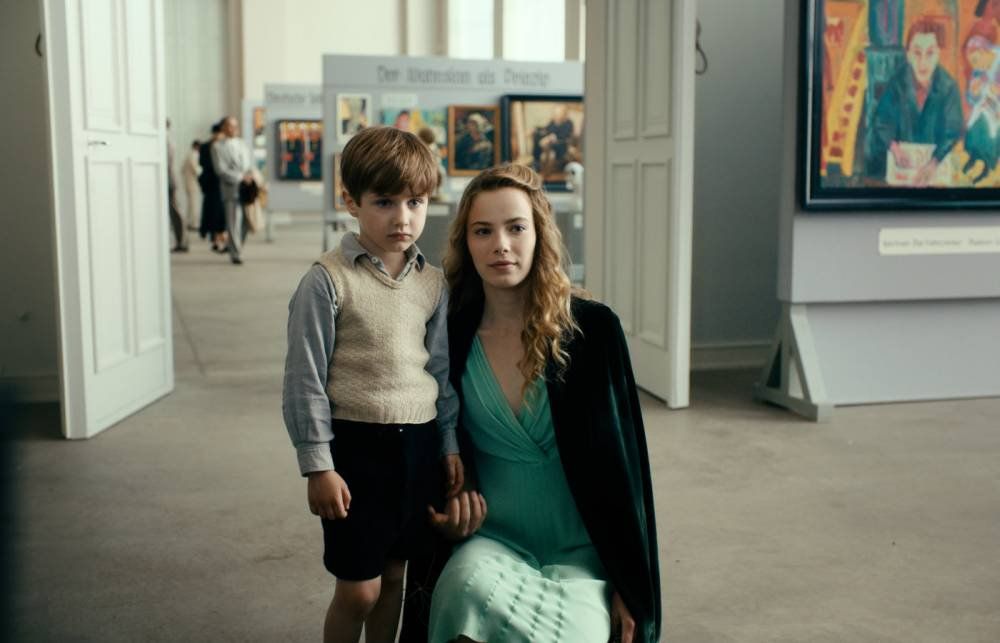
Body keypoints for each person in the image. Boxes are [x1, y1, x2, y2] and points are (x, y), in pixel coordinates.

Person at [406, 164, 661, 643]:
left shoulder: (594, 331)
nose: (501, 245)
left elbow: (624, 471)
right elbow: (430, 443)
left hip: (582, 553)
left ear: (539, 234)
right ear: (466, 243)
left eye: (516, 228)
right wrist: (450, 503)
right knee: (462, 593)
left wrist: (632, 585)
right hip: (491, 539)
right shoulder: (449, 335)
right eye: (483, 231)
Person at [281, 126, 465, 643]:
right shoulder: (327, 280)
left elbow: (440, 373)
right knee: (359, 589)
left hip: (419, 448)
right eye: (384, 202)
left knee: (394, 579)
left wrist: (448, 443)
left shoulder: (433, 282)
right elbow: (304, 379)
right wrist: (318, 464)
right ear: (351, 202)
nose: (402, 218)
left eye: (415, 202)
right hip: (356, 452)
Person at [865, 17, 964, 185]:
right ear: (908, 54)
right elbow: (882, 120)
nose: (923, 62)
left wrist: (934, 163)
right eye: (917, 53)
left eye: (930, 53)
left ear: (939, 54)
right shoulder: (897, 83)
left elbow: (953, 131)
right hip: (902, 167)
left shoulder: (948, 87)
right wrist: (894, 148)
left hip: (936, 165)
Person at [961, 19, 1000, 182]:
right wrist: (974, 92)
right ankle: (974, 156)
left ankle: (987, 164)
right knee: (974, 125)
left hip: (997, 111)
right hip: (984, 106)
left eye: (976, 61)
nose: (975, 66)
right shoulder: (978, 68)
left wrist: (996, 91)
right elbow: (971, 98)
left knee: (991, 129)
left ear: (985, 51)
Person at [211, 116, 253, 264]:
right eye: (230, 125)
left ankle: (234, 246)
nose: (234, 128)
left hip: (246, 189)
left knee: (246, 223)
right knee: (233, 223)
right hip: (231, 189)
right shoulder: (217, 147)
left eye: (236, 125)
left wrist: (249, 175)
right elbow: (221, 170)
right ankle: (235, 253)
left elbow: (248, 165)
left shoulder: (242, 144)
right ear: (223, 128)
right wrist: (241, 177)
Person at [198, 122, 227, 251]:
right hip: (212, 184)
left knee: (218, 212)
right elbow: (202, 163)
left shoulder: (215, 146)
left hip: (217, 183)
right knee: (213, 211)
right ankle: (215, 238)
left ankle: (219, 237)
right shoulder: (208, 146)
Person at [166, 119, 188, 253]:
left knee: (175, 211)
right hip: (170, 180)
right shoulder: (168, 138)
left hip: (169, 180)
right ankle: (181, 241)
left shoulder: (166, 139)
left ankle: (182, 242)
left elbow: (167, 163)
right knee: (175, 211)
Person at [181, 140, 202, 230]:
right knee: (194, 204)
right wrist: (203, 169)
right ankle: (194, 224)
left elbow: (182, 169)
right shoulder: (194, 155)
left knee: (190, 204)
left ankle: (189, 222)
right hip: (193, 184)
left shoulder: (188, 155)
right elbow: (196, 170)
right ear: (197, 146)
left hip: (188, 183)